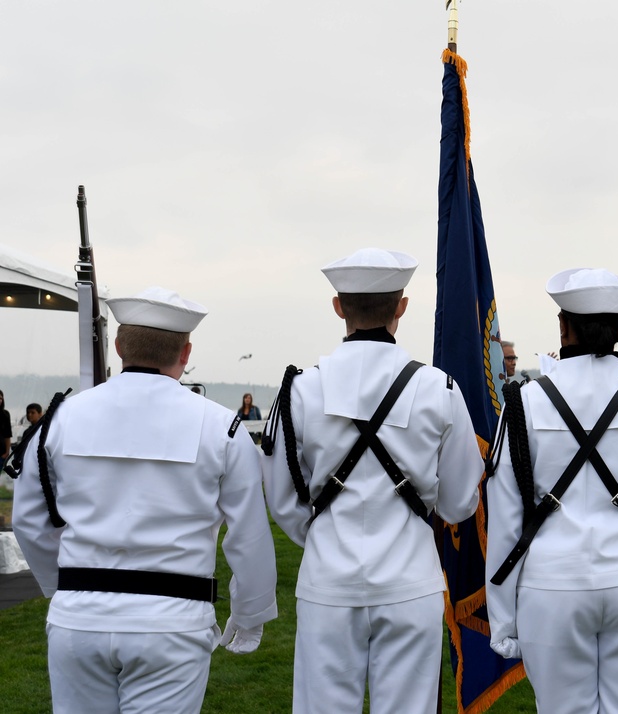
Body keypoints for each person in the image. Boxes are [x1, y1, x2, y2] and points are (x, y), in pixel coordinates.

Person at [12, 286, 278, 714]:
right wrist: (249, 615)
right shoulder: (221, 428)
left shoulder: (62, 419)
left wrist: (63, 587)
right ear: (186, 351)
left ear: (118, 346)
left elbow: (29, 520)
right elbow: (248, 536)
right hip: (172, 623)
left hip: (79, 619)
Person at [262, 248, 482, 714]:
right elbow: (461, 504)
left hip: (327, 583)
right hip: (411, 583)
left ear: (338, 307)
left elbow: (282, 499)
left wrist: (325, 536)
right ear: (401, 306)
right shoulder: (438, 389)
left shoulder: (300, 391)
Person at [485, 268, 618, 714]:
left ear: (563, 327)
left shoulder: (522, 402)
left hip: (552, 583)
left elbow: (507, 516)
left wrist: (502, 615)